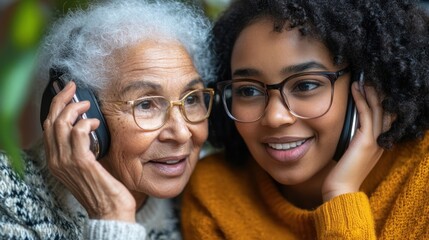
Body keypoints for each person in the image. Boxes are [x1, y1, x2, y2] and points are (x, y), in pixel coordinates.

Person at [181, 0, 429, 239]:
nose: (275, 117)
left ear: (368, 84)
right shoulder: (216, 193)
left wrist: (341, 194)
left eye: (306, 85)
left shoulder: (422, 179)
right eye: (248, 91)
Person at [0, 0, 214, 239]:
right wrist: (111, 215)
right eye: (145, 104)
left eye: (192, 99)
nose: (182, 133)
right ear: (81, 114)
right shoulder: (7, 194)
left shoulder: (209, 194)